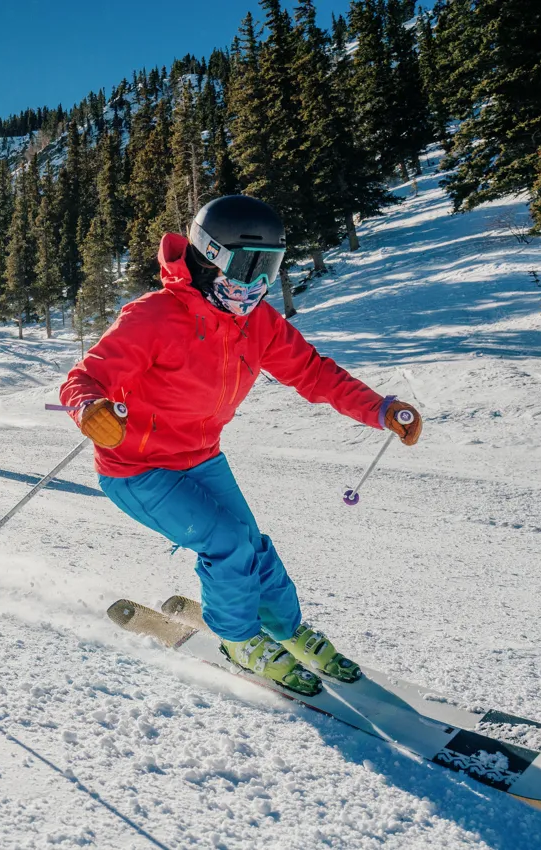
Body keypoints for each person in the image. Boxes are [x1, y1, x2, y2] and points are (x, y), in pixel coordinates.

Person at [59, 195, 422, 696]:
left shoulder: (260, 323)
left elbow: (315, 373)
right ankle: (237, 639)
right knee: (227, 543)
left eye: (268, 267)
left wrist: (380, 408)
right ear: (209, 255)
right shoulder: (155, 316)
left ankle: (284, 629)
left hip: (202, 456)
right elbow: (86, 377)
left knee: (251, 544)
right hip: (137, 468)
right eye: (247, 265)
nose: (255, 284)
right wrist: (90, 409)